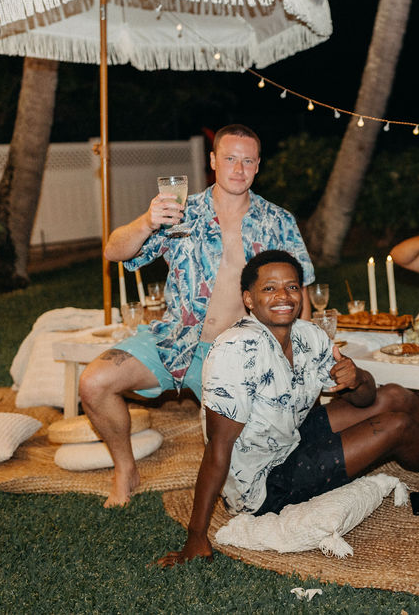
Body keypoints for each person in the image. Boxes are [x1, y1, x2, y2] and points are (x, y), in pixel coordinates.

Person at [79, 124, 315, 507]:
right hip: (176, 337)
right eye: (230, 159)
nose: (238, 169)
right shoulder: (180, 212)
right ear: (212, 161)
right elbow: (114, 251)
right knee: (94, 382)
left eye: (248, 161)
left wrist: (305, 349)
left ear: (258, 166)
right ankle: (125, 468)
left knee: (241, 480)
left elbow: (301, 292)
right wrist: (146, 221)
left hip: (241, 354)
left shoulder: (278, 222)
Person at [157, 250, 419, 567]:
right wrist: (196, 535)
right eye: (269, 288)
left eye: (291, 287)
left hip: (291, 437)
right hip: (264, 484)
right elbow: (218, 447)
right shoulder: (235, 349)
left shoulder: (309, 335)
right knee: (395, 425)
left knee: (396, 396)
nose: (283, 296)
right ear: (249, 299)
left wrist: (358, 377)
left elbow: (366, 398)